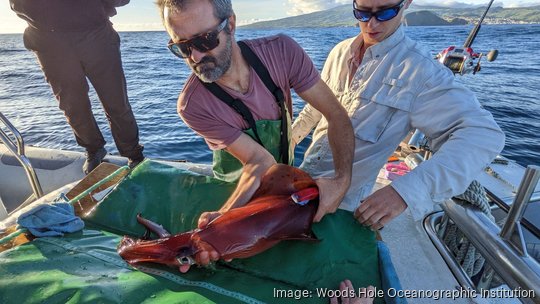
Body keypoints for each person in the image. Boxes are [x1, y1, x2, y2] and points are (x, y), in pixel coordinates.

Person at [156, 0, 354, 271]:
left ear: (232, 25)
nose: (195, 58)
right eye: (182, 47)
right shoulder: (193, 105)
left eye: (205, 41)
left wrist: (342, 180)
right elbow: (258, 161)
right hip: (236, 186)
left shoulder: (282, 53)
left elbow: (336, 114)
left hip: (281, 182)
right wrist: (223, 220)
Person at [292, 0, 505, 230]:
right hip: (303, 186)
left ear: (406, 4)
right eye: (362, 13)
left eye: (385, 12)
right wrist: (290, 139)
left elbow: (484, 134)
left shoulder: (421, 71)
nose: (371, 24)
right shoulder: (339, 52)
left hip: (345, 210)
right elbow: (317, 106)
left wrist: (404, 192)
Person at [10, 0, 145, 174]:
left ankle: (133, 153)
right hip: (48, 40)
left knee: (116, 100)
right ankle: (93, 149)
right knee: (72, 105)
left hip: (96, 35)